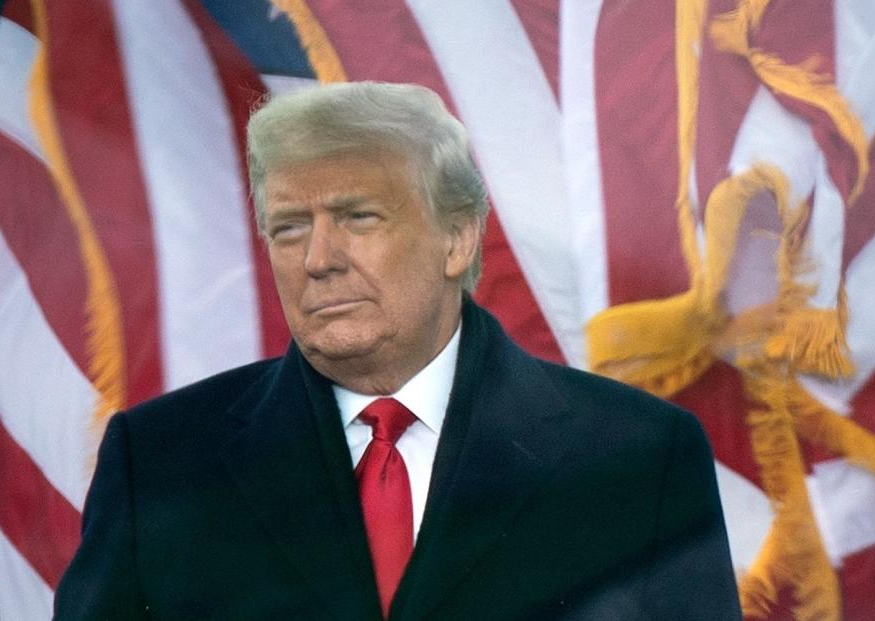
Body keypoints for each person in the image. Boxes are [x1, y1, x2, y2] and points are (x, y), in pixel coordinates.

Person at [53, 82, 741, 620]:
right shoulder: (161, 461)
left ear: (458, 237)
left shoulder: (639, 458)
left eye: (358, 217)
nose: (318, 259)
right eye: (289, 227)